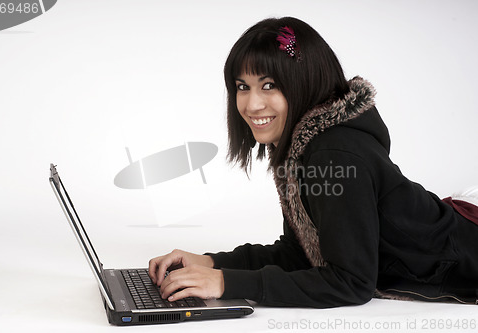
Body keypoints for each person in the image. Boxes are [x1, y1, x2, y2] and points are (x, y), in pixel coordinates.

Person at [149, 17, 478, 308]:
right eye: (242, 87)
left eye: (269, 85)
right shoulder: (303, 145)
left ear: (303, 83)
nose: (252, 104)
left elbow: (350, 283)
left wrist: (227, 284)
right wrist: (210, 263)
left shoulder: (334, 155)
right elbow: (302, 252)